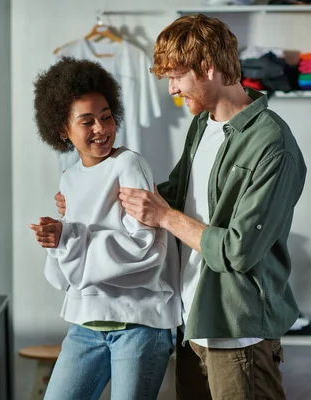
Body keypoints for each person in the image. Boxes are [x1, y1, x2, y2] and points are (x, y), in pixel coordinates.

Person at [57, 14, 307, 400]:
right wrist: (91, 193)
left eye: (177, 76)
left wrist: (164, 216)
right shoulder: (203, 125)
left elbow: (238, 250)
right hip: (194, 325)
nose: (172, 88)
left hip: (239, 336)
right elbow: (171, 194)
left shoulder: (272, 144)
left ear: (208, 68)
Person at [30, 57, 181, 400]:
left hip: (139, 324)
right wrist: (55, 238)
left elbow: (144, 248)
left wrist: (68, 236)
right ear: (62, 130)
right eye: (87, 121)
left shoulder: (128, 164)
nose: (101, 128)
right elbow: (65, 277)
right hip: (85, 324)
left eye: (106, 116)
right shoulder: (68, 179)